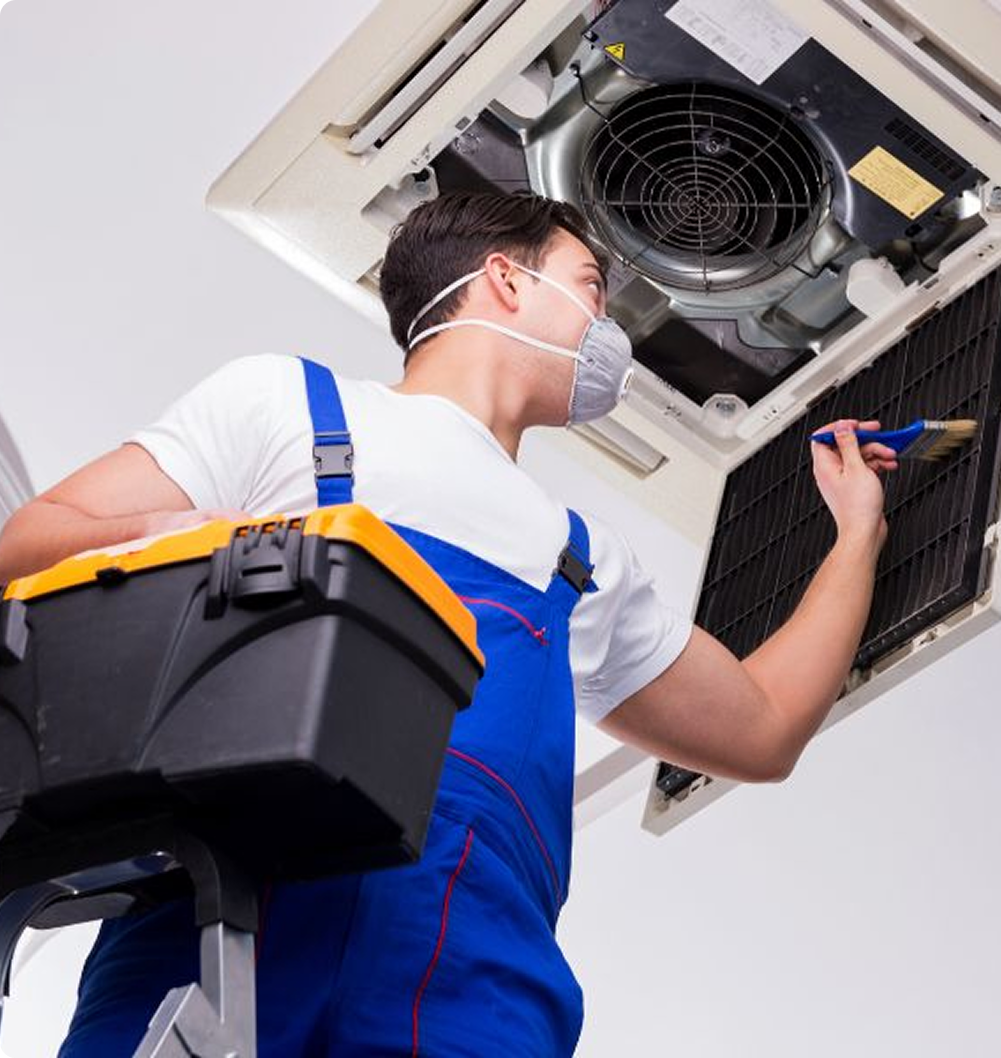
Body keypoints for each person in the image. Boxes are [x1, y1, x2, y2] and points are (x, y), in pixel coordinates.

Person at [0, 190, 898, 1056]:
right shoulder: (289, 408)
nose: (606, 327)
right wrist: (210, 540)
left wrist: (857, 533)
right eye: (590, 286)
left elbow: (763, 728)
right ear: (507, 279)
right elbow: (26, 549)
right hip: (219, 919)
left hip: (472, 973)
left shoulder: (582, 559)